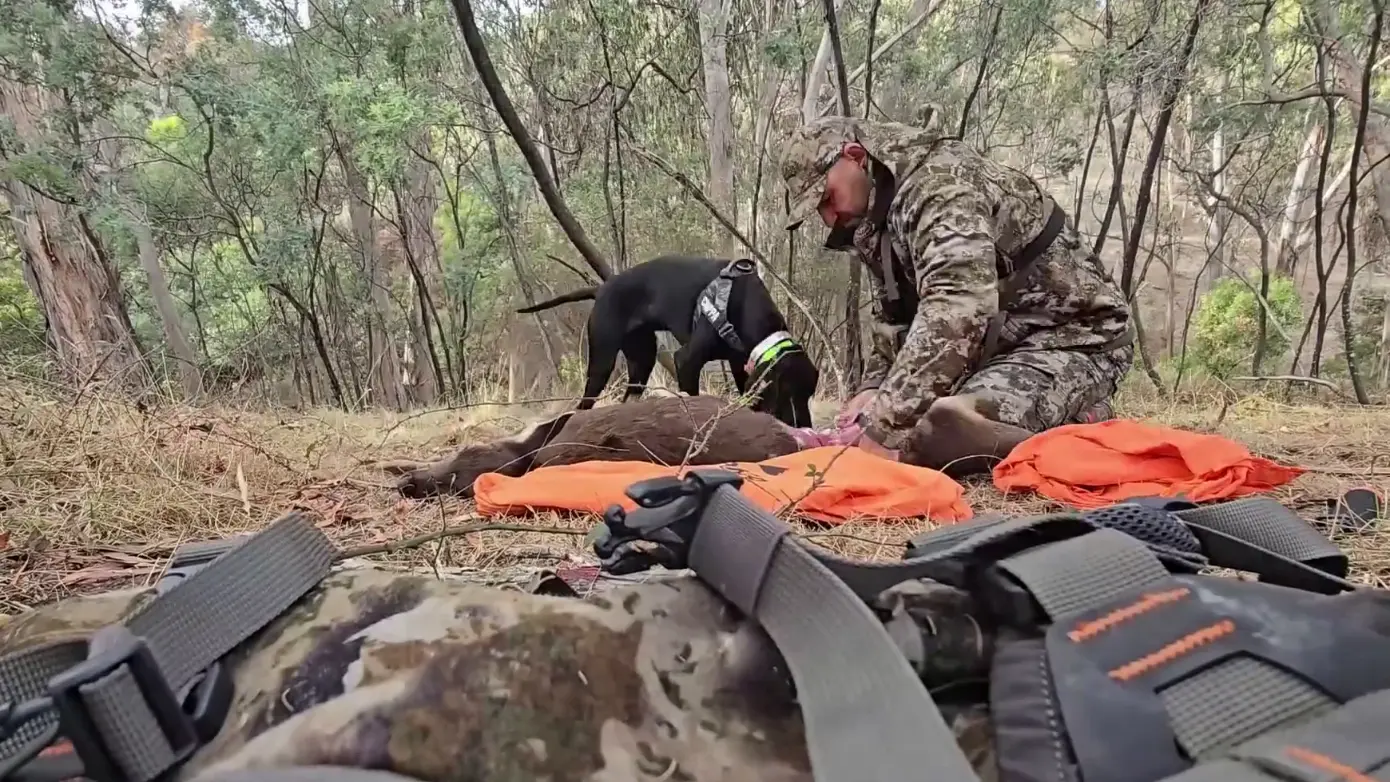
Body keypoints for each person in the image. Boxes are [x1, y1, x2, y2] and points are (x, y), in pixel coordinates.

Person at [779, 113, 1135, 473]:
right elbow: (894, 316)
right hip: (993, 349)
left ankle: (1085, 419)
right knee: (909, 418)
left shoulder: (941, 186)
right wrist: (873, 388)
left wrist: (884, 424)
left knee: (943, 426)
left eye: (827, 198)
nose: (828, 219)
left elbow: (958, 308)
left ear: (856, 156)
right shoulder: (875, 213)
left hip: (1073, 339)